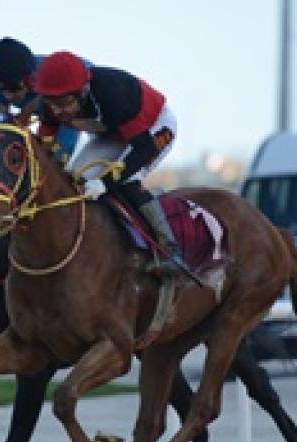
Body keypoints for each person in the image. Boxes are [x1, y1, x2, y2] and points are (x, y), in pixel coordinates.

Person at [32, 50, 211, 288]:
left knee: (127, 180)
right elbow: (44, 152)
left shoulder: (114, 94)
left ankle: (171, 250)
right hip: (112, 133)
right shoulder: (51, 106)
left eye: (64, 102)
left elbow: (143, 150)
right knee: (74, 182)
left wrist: (104, 183)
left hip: (153, 129)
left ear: (83, 91)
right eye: (52, 103)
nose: (59, 111)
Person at [0, 37, 81, 163]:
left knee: (57, 161)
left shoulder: (50, 79)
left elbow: (70, 126)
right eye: (2, 89)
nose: (8, 96)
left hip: (79, 114)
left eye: (14, 88)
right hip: (49, 118)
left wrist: (59, 158)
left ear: (30, 79)